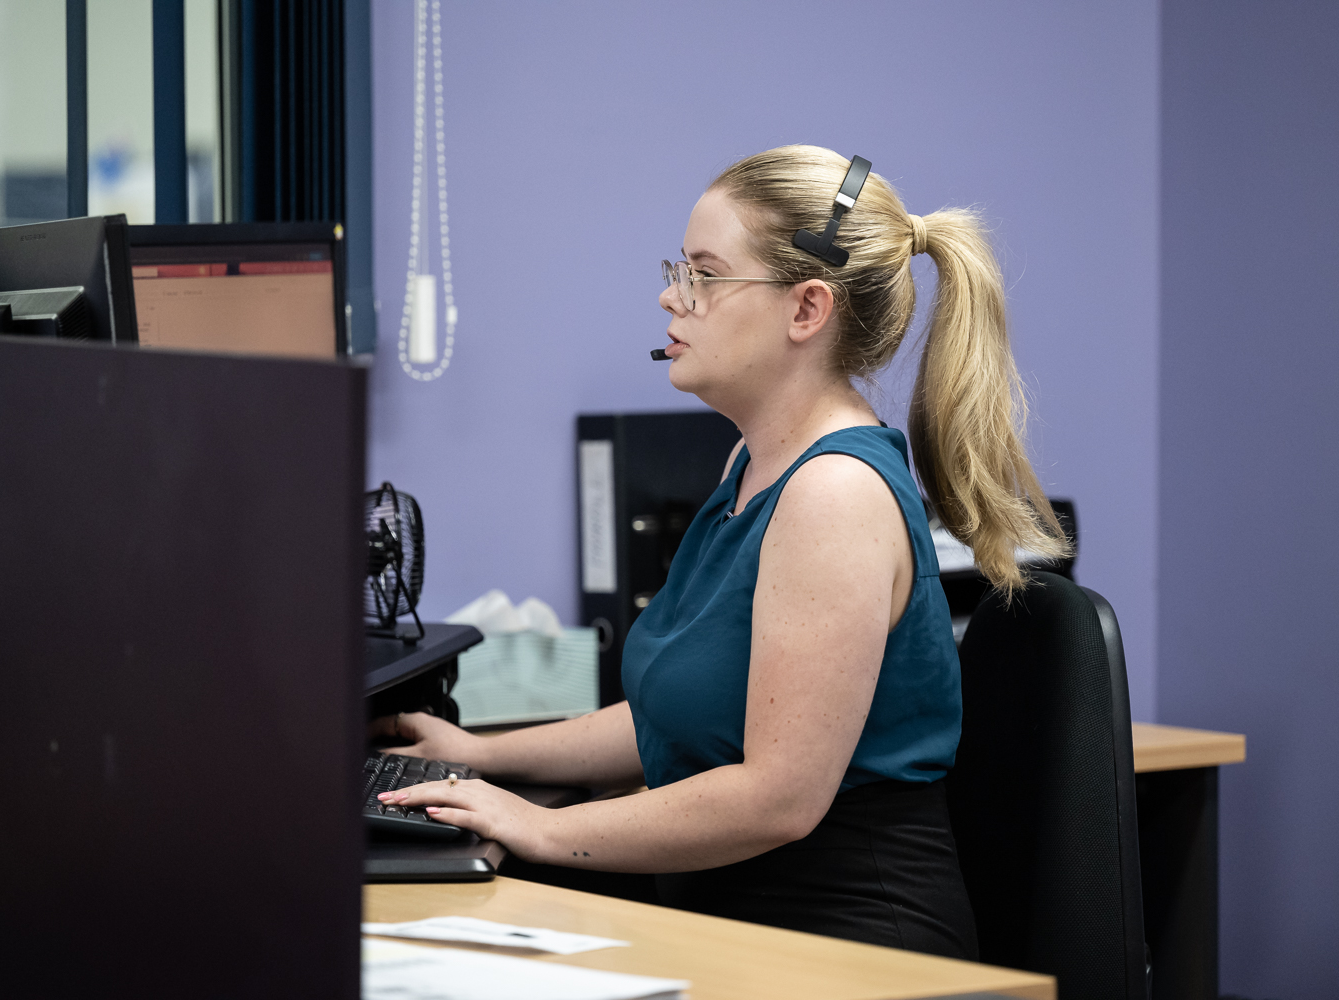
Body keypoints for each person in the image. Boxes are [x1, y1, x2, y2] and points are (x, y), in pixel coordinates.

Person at [378, 145, 1068, 959]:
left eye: (704, 275)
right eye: (679, 270)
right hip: (731, 918)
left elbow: (777, 799)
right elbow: (681, 719)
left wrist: (538, 827)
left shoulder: (834, 494)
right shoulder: (752, 463)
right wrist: (479, 756)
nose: (671, 296)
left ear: (806, 309)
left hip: (848, 948)